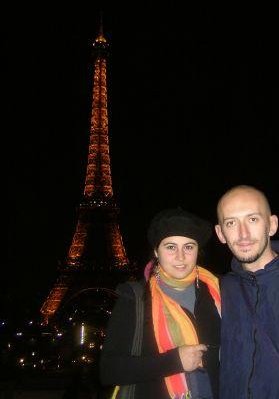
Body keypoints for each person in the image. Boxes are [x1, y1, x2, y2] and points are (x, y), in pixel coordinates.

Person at [100, 207, 221, 398]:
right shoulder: (135, 298)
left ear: (198, 250)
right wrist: (174, 361)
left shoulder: (218, 292)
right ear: (156, 251)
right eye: (171, 247)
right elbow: (108, 370)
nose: (180, 257)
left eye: (189, 247)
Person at [215, 185, 279, 399]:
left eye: (252, 219)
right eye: (231, 223)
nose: (243, 234)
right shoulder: (220, 289)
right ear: (220, 233)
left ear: (272, 225)